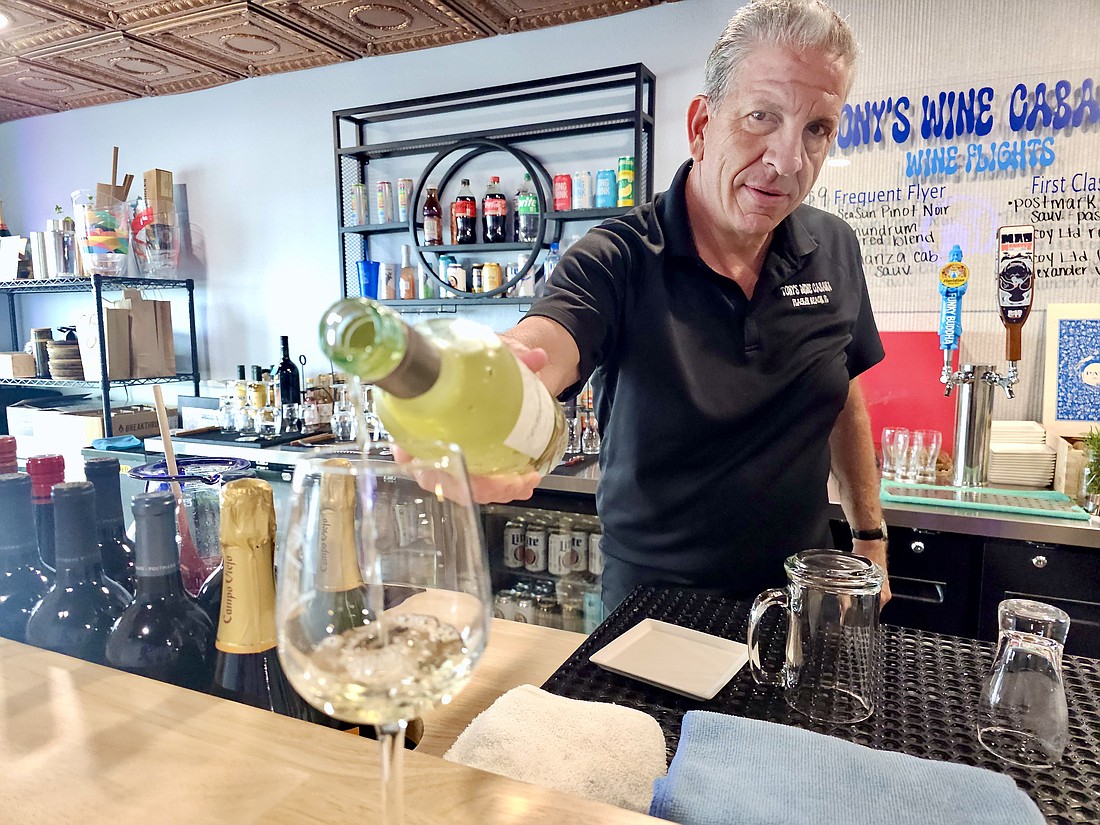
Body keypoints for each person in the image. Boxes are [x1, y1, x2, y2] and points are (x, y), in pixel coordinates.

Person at [489, 0, 892, 613]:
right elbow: (547, 344)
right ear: (702, 126)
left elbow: (841, 393)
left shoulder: (834, 247)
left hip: (797, 599)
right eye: (762, 116)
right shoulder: (619, 256)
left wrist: (870, 537)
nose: (788, 161)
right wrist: (498, 387)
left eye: (817, 129)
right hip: (656, 609)